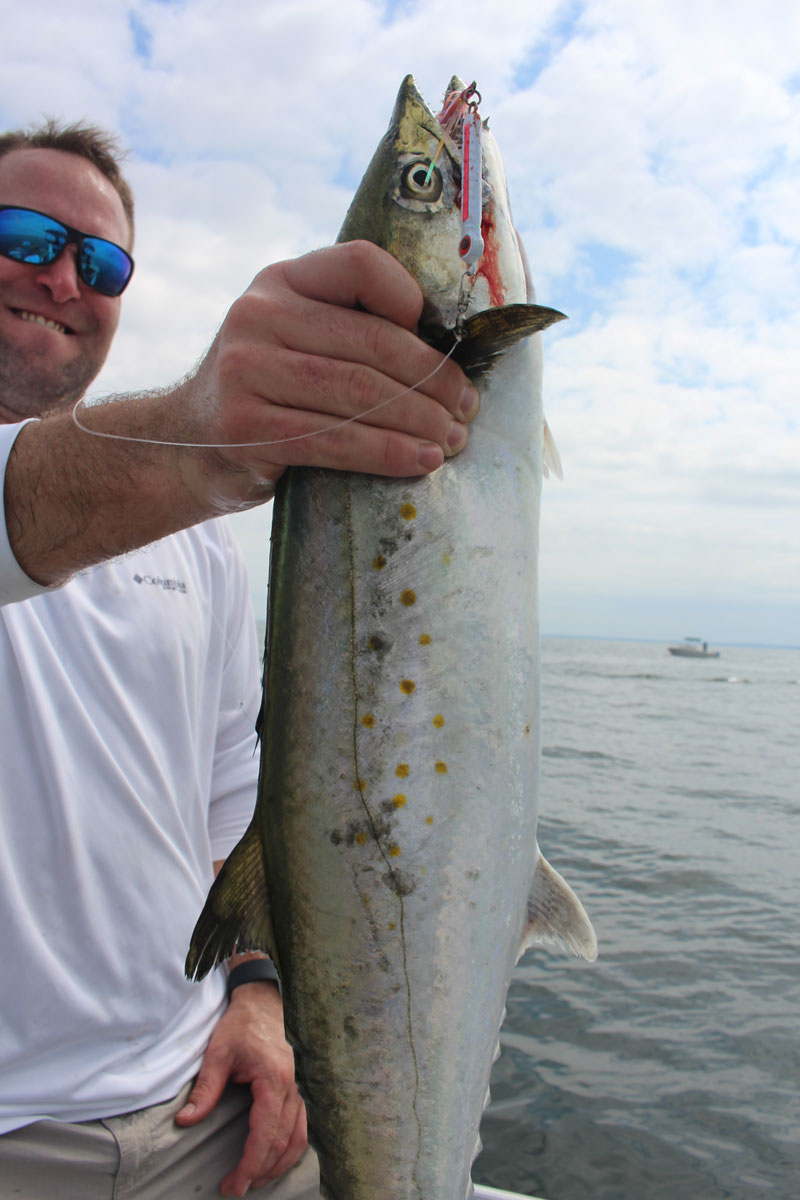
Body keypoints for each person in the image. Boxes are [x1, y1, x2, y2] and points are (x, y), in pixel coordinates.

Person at [0, 119, 478, 1199]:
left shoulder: (200, 542)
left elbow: (229, 802)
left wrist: (257, 992)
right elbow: (19, 506)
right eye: (24, 235)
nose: (62, 277)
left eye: (101, 260)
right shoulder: (182, 473)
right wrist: (202, 435)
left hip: (203, 1109)